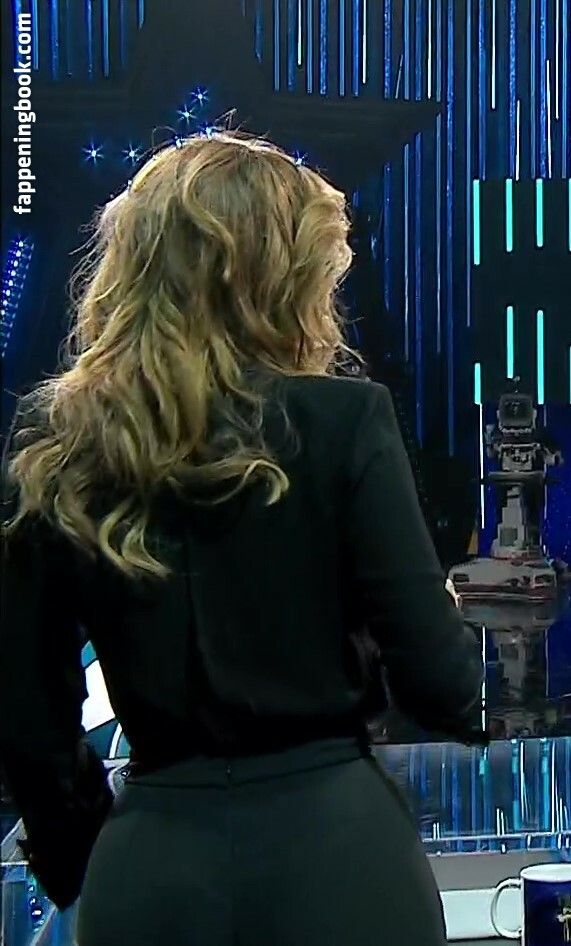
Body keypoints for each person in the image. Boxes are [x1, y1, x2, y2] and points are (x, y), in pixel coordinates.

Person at [1, 131, 484, 946]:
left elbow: (25, 716)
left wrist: (98, 856)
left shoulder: (61, 441)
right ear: (283, 278)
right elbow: (442, 688)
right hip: (339, 862)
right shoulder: (342, 421)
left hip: (149, 871)